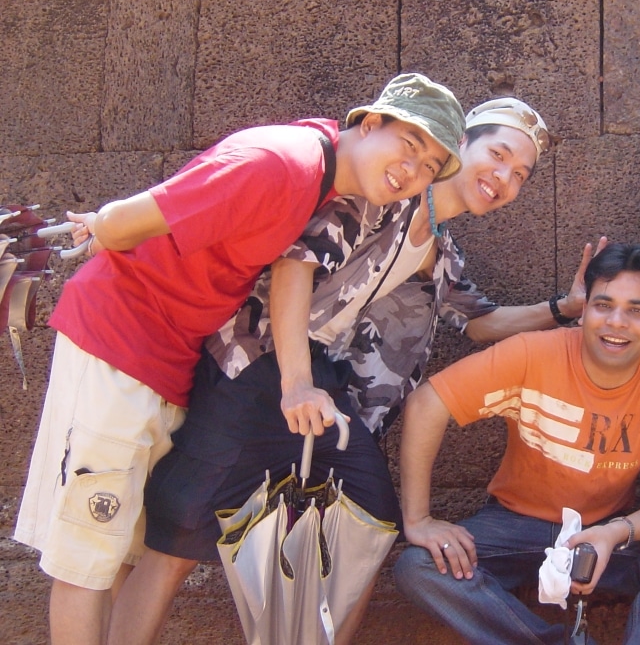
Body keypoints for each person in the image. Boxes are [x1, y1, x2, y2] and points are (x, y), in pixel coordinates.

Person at [109, 98, 606, 645]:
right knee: (179, 536)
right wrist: (294, 381)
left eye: (520, 176)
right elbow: (294, 265)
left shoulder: (440, 252)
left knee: (370, 519)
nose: (504, 178)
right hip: (251, 361)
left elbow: (482, 322)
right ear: (457, 146)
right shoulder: (382, 193)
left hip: (324, 383)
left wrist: (567, 307)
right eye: (498, 155)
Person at [12, 72, 465, 645]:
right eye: (410, 146)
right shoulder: (282, 161)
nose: (413, 170)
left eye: (430, 166)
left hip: (172, 359)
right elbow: (127, 221)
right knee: (88, 549)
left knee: (121, 550)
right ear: (369, 123)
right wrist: (101, 226)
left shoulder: (335, 188)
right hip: (120, 341)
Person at [393, 242, 640, 645]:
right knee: (419, 565)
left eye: (636, 310)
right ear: (584, 311)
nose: (617, 322)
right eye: (603, 305)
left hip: (606, 532)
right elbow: (426, 403)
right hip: (514, 524)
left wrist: (614, 533)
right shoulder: (534, 352)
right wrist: (419, 520)